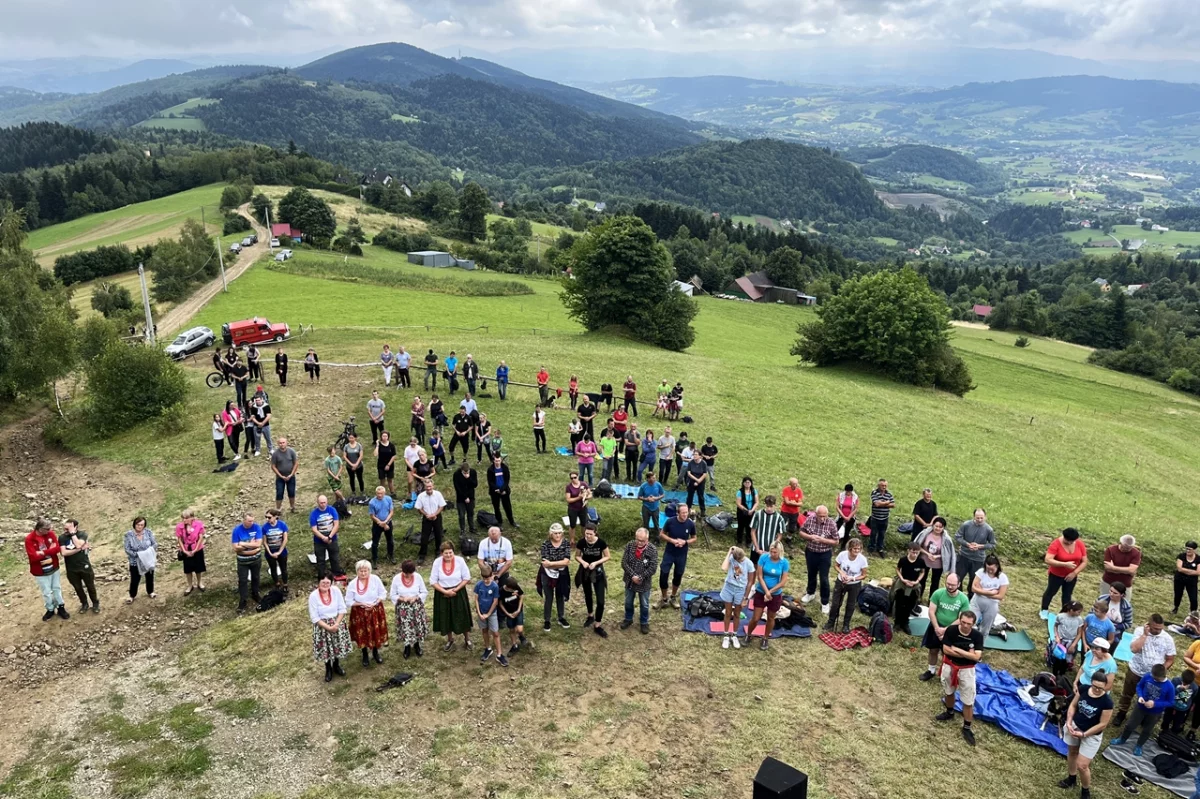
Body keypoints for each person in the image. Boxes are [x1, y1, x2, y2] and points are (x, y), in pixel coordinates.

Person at [1114, 614, 1177, 727]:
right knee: (1127, 694)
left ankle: (1142, 716)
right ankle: (1121, 713)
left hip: (1153, 677)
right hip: (1135, 671)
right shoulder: (1139, 631)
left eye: (1160, 629)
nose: (1158, 631)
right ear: (1148, 625)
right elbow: (1134, 649)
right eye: (1155, 628)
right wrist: (1145, 635)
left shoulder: (1168, 639)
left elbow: (1170, 659)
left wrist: (1160, 672)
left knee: (1148, 696)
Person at [1060, 672, 1114, 799]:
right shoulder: (1083, 689)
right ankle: (1071, 779)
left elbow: (1102, 725)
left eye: (1100, 688)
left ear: (1105, 687)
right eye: (1095, 686)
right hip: (1075, 726)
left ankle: (1085, 791)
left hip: (1091, 735)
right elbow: (1073, 705)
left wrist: (1084, 734)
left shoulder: (1107, 702)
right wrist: (1068, 722)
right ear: (1091, 683)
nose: (1096, 690)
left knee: (1082, 766)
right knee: (1072, 752)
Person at [936, 609, 984, 746]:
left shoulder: (977, 636)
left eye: (969, 624)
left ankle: (967, 727)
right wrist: (968, 654)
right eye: (963, 622)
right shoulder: (951, 630)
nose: (965, 626)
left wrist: (957, 650)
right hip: (950, 665)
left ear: (973, 624)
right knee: (948, 691)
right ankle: (949, 712)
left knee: (968, 700)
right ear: (959, 620)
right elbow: (945, 650)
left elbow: (977, 657)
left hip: (967, 670)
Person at [1113, 663, 1176, 756]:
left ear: (1162, 676)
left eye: (1155, 677)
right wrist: (1140, 696)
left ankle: (1139, 745)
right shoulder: (1148, 676)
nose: (1152, 678)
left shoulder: (1169, 686)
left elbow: (1171, 702)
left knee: (1147, 730)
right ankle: (1122, 739)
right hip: (1140, 707)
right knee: (1130, 725)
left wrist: (1155, 704)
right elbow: (1139, 686)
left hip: (1155, 712)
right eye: (1152, 675)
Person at [919, 574, 970, 681]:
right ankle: (931, 670)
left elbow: (962, 618)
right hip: (935, 626)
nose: (950, 587)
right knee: (933, 650)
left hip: (952, 630)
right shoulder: (938, 593)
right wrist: (937, 628)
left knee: (947, 653)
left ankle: (945, 673)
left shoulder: (963, 599)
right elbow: (931, 611)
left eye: (953, 585)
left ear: (959, 584)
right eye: (948, 584)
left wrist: (945, 630)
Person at [745, 541, 790, 650]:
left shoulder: (784, 562)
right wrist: (766, 592)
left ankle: (765, 638)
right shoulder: (764, 558)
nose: (773, 554)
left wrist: (771, 592)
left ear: (780, 552)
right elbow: (759, 576)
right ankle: (749, 635)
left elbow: (783, 582)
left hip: (775, 595)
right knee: (756, 617)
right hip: (761, 591)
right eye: (771, 551)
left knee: (771, 617)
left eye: (775, 552)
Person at [345, 560, 389, 667]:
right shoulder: (352, 584)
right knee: (362, 633)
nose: (363, 573)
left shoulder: (375, 579)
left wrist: (375, 603)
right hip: (360, 612)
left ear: (369, 570)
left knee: (375, 631)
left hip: (375, 609)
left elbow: (383, 593)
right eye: (361, 571)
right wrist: (361, 603)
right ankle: (364, 653)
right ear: (357, 571)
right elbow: (348, 601)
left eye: (365, 571)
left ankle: (375, 652)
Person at [430, 541, 472, 651]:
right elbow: (433, 581)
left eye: (450, 553)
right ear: (441, 553)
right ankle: (450, 640)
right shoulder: (437, 562)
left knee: (462, 615)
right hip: (443, 593)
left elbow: (466, 578)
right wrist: (445, 591)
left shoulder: (460, 561)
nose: (448, 555)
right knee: (446, 616)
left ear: (453, 552)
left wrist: (456, 589)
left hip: (458, 591)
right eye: (446, 553)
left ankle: (467, 639)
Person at [798, 505, 840, 614]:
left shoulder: (831, 523)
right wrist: (810, 537)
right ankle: (810, 593)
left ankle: (825, 602)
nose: (822, 518)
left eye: (824, 516)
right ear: (816, 514)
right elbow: (801, 532)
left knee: (824, 578)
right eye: (820, 516)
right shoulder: (810, 520)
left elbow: (836, 541)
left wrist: (823, 540)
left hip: (824, 554)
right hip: (811, 552)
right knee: (811, 574)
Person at [309, 576, 351, 682]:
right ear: (318, 582)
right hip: (322, 626)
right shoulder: (313, 596)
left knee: (337, 645)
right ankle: (328, 669)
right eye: (323, 582)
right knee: (326, 648)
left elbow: (342, 608)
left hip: (337, 622)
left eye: (328, 583)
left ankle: (336, 666)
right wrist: (328, 627)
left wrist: (336, 624)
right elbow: (315, 617)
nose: (325, 585)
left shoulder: (336, 591)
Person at [25, 519, 67, 621]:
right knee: (46, 592)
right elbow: (33, 556)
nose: (50, 530)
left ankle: (61, 607)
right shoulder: (29, 539)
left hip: (54, 567)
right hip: (40, 571)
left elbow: (57, 548)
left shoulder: (50, 534)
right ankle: (50, 609)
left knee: (57, 588)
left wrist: (42, 552)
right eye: (47, 529)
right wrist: (49, 551)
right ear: (40, 529)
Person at [1041, 527, 1088, 618]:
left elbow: (1084, 561)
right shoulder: (1056, 544)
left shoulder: (1079, 544)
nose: (1069, 543)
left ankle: (1064, 612)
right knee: (1051, 592)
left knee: (1067, 594)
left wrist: (1074, 573)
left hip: (1071, 575)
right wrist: (1064, 564)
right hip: (1056, 574)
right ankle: (1044, 610)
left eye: (1072, 541)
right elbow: (1048, 559)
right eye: (1067, 541)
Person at [824, 537, 869, 633]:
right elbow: (836, 565)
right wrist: (841, 573)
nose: (857, 551)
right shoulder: (842, 555)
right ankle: (831, 622)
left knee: (850, 605)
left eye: (859, 549)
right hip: (841, 582)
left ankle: (846, 624)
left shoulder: (862, 559)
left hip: (854, 584)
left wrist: (852, 578)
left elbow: (864, 575)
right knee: (836, 603)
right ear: (850, 549)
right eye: (855, 549)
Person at [658, 504, 697, 610]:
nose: (685, 515)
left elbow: (694, 538)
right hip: (669, 552)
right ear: (677, 513)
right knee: (663, 574)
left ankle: (673, 597)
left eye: (686, 512)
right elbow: (662, 534)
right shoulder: (670, 521)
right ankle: (664, 598)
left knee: (678, 575)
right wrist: (672, 540)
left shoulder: (690, 524)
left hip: (682, 554)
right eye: (683, 513)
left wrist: (685, 542)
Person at [620, 527, 658, 634]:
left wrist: (640, 577)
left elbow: (653, 568)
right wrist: (632, 576)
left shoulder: (652, 550)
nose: (640, 543)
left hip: (644, 583)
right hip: (630, 580)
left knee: (644, 604)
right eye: (638, 540)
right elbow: (624, 562)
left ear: (647, 539)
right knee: (628, 601)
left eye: (642, 541)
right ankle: (628, 618)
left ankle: (644, 622)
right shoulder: (629, 545)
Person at [575, 524, 610, 638]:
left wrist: (596, 562)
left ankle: (597, 624)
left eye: (590, 534)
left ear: (595, 533)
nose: (588, 536)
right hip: (585, 571)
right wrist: (583, 562)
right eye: (586, 534)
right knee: (588, 594)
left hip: (597, 571)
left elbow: (607, 556)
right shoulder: (581, 542)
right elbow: (577, 556)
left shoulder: (601, 542)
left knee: (600, 601)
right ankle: (590, 615)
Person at [390, 560, 429, 658]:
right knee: (405, 627)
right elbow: (392, 594)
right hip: (403, 608)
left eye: (410, 574)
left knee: (416, 625)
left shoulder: (418, 577)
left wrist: (415, 597)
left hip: (416, 606)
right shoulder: (396, 579)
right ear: (402, 571)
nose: (408, 576)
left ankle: (417, 645)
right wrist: (402, 598)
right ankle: (407, 646)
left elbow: (424, 592)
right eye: (406, 574)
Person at [719, 547, 756, 649]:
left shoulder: (749, 563)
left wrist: (746, 598)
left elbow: (750, 582)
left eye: (741, 560)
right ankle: (726, 635)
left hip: (740, 590)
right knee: (728, 612)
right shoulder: (731, 558)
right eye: (738, 560)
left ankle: (734, 635)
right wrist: (729, 552)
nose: (740, 561)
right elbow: (724, 568)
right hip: (729, 587)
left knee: (737, 613)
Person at [59, 519, 99, 613]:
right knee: (78, 588)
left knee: (90, 586)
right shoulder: (62, 537)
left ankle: (95, 603)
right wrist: (78, 550)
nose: (65, 530)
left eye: (68, 528)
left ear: (75, 527)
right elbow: (64, 552)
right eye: (65, 527)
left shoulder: (82, 535)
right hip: (71, 568)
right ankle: (84, 604)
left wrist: (73, 535)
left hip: (84, 565)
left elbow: (78, 544)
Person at [955, 509, 996, 598]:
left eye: (982, 518)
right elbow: (957, 536)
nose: (980, 520)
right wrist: (967, 544)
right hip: (963, 556)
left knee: (974, 582)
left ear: (985, 517)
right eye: (977, 518)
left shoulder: (989, 529)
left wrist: (980, 546)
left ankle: (971, 600)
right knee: (958, 579)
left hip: (978, 559)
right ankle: (959, 597)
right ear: (974, 517)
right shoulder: (966, 525)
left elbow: (992, 544)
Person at [539, 523, 572, 631]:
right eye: (555, 533)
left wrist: (552, 564)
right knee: (548, 597)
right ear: (551, 534)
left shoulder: (566, 543)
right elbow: (545, 563)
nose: (557, 535)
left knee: (560, 596)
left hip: (562, 574)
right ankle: (547, 620)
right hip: (547, 574)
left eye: (559, 533)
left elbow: (566, 561)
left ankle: (561, 617)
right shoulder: (545, 544)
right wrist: (560, 563)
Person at [474, 563, 507, 666]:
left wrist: (488, 614)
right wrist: (479, 613)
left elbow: (495, 601)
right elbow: (476, 599)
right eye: (484, 578)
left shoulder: (494, 586)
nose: (486, 580)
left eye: (488, 578)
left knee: (495, 633)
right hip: (481, 613)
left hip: (491, 613)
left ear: (492, 575)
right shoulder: (478, 585)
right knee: (484, 630)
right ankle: (488, 648)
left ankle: (499, 654)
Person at [969, 554, 1008, 640]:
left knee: (985, 628)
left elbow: (1000, 596)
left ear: (997, 566)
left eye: (992, 569)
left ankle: (980, 644)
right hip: (977, 602)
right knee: (970, 622)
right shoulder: (981, 572)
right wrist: (990, 593)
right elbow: (973, 588)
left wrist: (981, 591)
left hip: (992, 605)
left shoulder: (1002, 577)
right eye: (988, 569)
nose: (990, 571)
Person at [230, 513, 263, 613]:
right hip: (242, 561)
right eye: (249, 521)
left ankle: (255, 593)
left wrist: (243, 544)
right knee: (243, 580)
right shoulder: (237, 530)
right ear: (244, 520)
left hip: (255, 559)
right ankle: (243, 599)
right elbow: (236, 547)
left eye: (253, 520)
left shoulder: (257, 527)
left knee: (256, 577)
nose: (251, 523)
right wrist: (252, 546)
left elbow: (258, 544)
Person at [915, 518, 956, 597]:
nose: (938, 528)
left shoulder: (946, 539)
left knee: (935, 582)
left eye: (940, 527)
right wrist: (927, 554)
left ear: (943, 528)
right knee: (921, 580)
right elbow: (917, 546)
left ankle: (932, 600)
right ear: (933, 525)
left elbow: (948, 553)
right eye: (936, 526)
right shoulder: (925, 533)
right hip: (924, 561)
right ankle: (918, 597)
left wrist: (937, 556)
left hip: (938, 564)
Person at [892, 542, 927, 634]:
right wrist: (902, 579)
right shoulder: (903, 560)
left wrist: (917, 581)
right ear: (908, 551)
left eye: (917, 553)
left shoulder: (921, 562)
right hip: (903, 584)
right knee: (899, 603)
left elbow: (923, 572)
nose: (915, 554)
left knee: (910, 604)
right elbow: (898, 569)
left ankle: (905, 623)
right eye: (913, 552)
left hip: (913, 585)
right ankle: (897, 623)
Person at [174, 510, 206, 595]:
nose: (184, 520)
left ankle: (199, 583)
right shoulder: (179, 527)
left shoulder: (198, 524)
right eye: (183, 518)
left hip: (197, 548)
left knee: (198, 567)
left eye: (187, 518)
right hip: (186, 549)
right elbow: (179, 539)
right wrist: (184, 550)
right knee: (188, 569)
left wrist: (195, 549)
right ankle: (190, 585)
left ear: (192, 517)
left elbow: (201, 537)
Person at [309, 495, 342, 580]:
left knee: (334, 557)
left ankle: (336, 574)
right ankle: (321, 577)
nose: (323, 504)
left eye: (324, 502)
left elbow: (336, 524)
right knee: (320, 560)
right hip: (319, 540)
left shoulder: (332, 510)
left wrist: (330, 536)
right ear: (318, 503)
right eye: (321, 503)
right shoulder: (314, 513)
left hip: (332, 537)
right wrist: (323, 538)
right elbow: (314, 529)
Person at [415, 479, 447, 564]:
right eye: (427, 487)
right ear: (424, 487)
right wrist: (426, 515)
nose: (428, 488)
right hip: (426, 517)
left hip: (437, 517)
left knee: (438, 535)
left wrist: (435, 514)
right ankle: (422, 554)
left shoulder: (438, 494)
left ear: (433, 486)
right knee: (424, 537)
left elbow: (441, 506)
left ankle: (438, 552)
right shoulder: (421, 496)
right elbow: (418, 508)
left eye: (430, 486)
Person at [750, 496, 787, 567]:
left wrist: (772, 549)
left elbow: (780, 535)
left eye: (771, 506)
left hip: (770, 550)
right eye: (767, 506)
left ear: (775, 505)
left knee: (767, 569)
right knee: (753, 568)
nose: (769, 508)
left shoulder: (779, 518)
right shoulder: (758, 514)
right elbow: (752, 532)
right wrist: (757, 549)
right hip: (756, 548)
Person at [363, 485, 394, 568]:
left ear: (384, 493)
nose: (379, 495)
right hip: (377, 524)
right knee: (375, 542)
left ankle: (390, 555)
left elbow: (391, 512)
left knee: (390, 540)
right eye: (378, 493)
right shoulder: (372, 502)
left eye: (381, 493)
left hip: (388, 522)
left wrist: (385, 522)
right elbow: (372, 516)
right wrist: (381, 523)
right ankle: (374, 559)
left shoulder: (388, 499)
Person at [1102, 534, 1142, 599]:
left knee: (1123, 606)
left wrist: (1113, 568)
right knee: (1105, 603)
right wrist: (1126, 570)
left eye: (1130, 548)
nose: (1127, 549)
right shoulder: (1110, 550)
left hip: (1125, 584)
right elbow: (1108, 568)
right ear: (1120, 543)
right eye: (1125, 547)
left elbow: (1131, 570)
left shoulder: (1136, 553)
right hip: (1108, 582)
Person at [1163, 670, 1199, 735]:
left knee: (1177, 723)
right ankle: (1163, 732)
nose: (1185, 684)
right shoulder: (1176, 680)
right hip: (1171, 706)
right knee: (1166, 720)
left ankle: (1173, 734)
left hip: (1183, 709)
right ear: (1181, 677)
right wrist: (1180, 689)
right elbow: (1170, 692)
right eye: (1184, 682)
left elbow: (1193, 696)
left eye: (1188, 683)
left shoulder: (1195, 687)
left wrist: (1190, 705)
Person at [487, 454, 517, 528]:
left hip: (504, 491)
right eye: (496, 461)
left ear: (501, 460)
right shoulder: (490, 469)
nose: (497, 462)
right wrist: (496, 489)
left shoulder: (505, 468)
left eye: (499, 461)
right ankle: (499, 522)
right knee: (496, 507)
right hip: (494, 492)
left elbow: (507, 480)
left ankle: (512, 521)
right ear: (493, 461)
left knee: (508, 507)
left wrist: (502, 489)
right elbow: (490, 482)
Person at [263, 509, 289, 592]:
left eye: (269, 517)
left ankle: (285, 584)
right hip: (270, 551)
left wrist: (280, 551)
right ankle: (277, 583)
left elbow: (285, 539)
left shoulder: (282, 525)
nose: (267, 519)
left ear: (275, 517)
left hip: (281, 550)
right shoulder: (264, 527)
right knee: (273, 568)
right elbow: (264, 542)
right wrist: (270, 553)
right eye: (266, 517)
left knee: (283, 568)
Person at [867, 478, 895, 555]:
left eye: (885, 485)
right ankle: (871, 548)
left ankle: (880, 548)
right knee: (873, 533)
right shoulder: (874, 493)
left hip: (885, 518)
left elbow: (893, 505)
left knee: (882, 534)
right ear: (878, 485)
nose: (884, 487)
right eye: (882, 485)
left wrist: (882, 503)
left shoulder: (889, 494)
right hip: (875, 518)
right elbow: (876, 504)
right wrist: (887, 502)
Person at [271, 437, 298, 513]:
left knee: (291, 492)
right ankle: (278, 510)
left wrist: (292, 474)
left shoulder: (291, 451)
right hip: (280, 477)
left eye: (283, 442)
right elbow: (273, 466)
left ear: (286, 443)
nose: (282, 444)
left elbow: (296, 463)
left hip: (291, 476)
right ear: (278, 444)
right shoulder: (275, 454)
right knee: (279, 493)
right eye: (280, 443)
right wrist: (280, 475)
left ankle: (292, 507)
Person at [454, 461, 478, 538]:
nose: (466, 473)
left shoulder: (473, 472)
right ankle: (462, 530)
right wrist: (465, 497)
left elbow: (475, 484)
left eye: (467, 472)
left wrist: (468, 478)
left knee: (470, 513)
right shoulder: (456, 474)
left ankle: (472, 527)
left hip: (471, 496)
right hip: (461, 498)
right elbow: (457, 488)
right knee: (461, 515)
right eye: (464, 472)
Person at [565, 472, 590, 543]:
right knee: (572, 525)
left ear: (578, 477)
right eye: (571, 478)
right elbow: (568, 500)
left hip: (583, 508)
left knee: (584, 524)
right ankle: (572, 540)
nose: (573, 479)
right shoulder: (569, 487)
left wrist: (586, 497)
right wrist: (579, 497)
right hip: (573, 509)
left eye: (575, 477)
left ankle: (584, 539)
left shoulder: (583, 484)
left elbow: (590, 494)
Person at [1176, 541, 1200, 616]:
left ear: (1194, 550)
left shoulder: (1198, 559)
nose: (1187, 551)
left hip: (1192, 581)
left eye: (1189, 549)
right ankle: (1175, 607)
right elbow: (1179, 568)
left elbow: (1198, 572)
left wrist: (1184, 570)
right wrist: (1191, 571)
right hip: (1179, 579)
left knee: (1193, 598)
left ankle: (1193, 612)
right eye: (1186, 549)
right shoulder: (1181, 556)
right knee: (1178, 594)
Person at [735, 477, 759, 549]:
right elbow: (738, 503)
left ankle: (748, 542)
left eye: (749, 482)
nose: (747, 484)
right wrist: (746, 510)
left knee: (750, 527)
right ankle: (739, 541)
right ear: (743, 483)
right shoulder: (740, 492)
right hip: (742, 512)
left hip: (751, 511)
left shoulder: (754, 491)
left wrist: (752, 510)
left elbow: (757, 502)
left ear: (751, 483)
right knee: (741, 526)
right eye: (746, 482)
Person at [684, 451, 709, 517]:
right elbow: (689, 473)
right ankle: (688, 509)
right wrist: (696, 480)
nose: (694, 456)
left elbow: (704, 474)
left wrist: (698, 481)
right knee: (690, 496)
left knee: (701, 496)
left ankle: (702, 510)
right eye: (694, 454)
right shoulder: (691, 462)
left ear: (700, 456)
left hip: (701, 481)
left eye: (696, 455)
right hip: (692, 481)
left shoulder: (703, 463)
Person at [372, 431, 397, 497]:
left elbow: (394, 456)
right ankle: (382, 493)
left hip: (390, 465)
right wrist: (377, 445)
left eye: (386, 436)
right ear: (381, 437)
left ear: (388, 437)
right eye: (383, 436)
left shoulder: (391, 445)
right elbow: (375, 454)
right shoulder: (379, 445)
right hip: (381, 465)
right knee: (382, 480)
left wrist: (388, 465)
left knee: (390, 479)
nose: (385, 437)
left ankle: (392, 492)